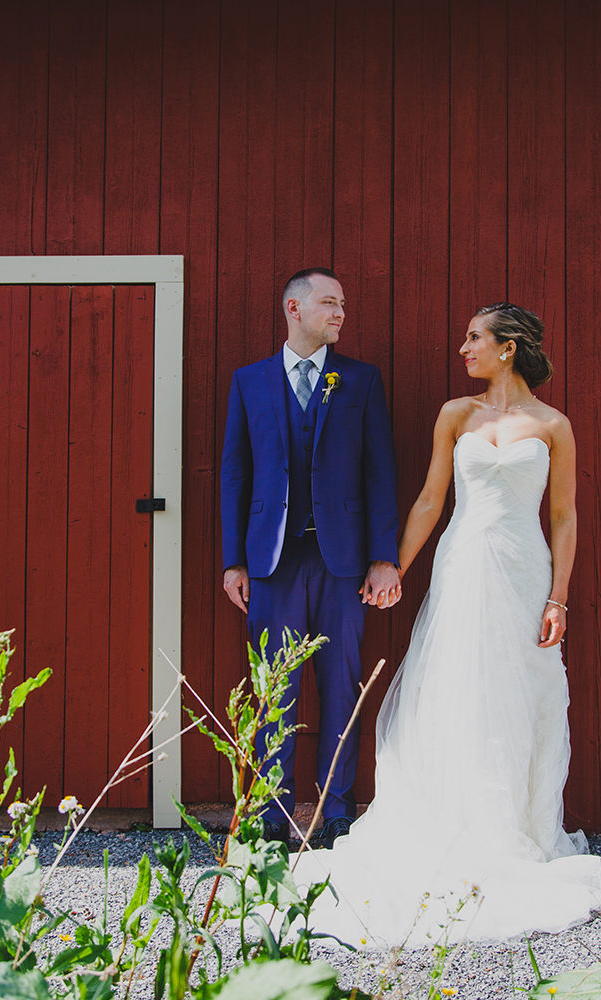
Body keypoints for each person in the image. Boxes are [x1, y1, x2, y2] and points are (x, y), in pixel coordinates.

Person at [295, 302, 601, 944]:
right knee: (455, 689)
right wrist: (394, 567)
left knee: (519, 695)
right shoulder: (455, 415)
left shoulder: (554, 424)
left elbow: (565, 517)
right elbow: (430, 500)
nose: (462, 348)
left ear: (508, 349)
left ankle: (513, 830)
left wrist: (559, 598)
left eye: (474, 338)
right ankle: (452, 821)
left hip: (524, 571)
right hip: (464, 566)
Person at [220, 267, 402, 848]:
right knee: (275, 689)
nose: (341, 313)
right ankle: (272, 815)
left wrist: (382, 556)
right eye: (329, 303)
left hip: (342, 561)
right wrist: (233, 560)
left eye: (343, 304)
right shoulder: (249, 382)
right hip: (271, 562)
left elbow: (380, 473)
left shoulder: (361, 381)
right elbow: (235, 474)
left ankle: (337, 810)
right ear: (293, 310)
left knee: (341, 685)